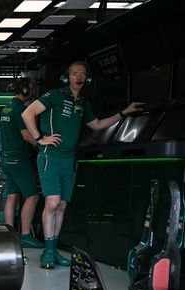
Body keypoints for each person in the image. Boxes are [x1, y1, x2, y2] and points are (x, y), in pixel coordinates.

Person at [22, 60, 143, 269]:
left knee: (61, 205)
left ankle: (53, 249)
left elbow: (97, 125)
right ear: (66, 77)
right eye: (74, 74)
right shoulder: (56, 95)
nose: (79, 77)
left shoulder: (82, 103)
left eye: (82, 74)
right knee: (52, 203)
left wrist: (124, 112)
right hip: (51, 156)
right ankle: (47, 252)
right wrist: (40, 138)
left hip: (69, 159)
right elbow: (27, 113)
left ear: (86, 78)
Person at [0, 77, 43, 249]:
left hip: (6, 159)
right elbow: (26, 135)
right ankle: (25, 235)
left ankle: (9, 236)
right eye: (31, 88)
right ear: (24, 90)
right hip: (18, 159)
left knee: (12, 196)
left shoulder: (6, 107)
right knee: (32, 196)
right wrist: (42, 144)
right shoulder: (20, 109)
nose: (32, 92)